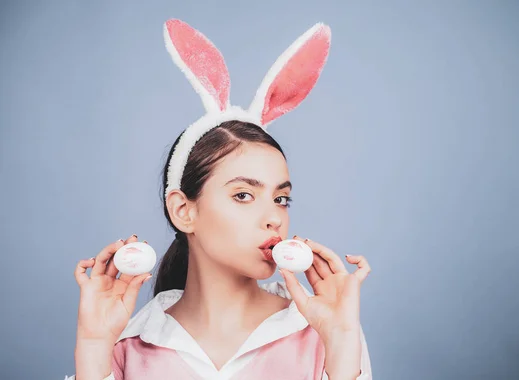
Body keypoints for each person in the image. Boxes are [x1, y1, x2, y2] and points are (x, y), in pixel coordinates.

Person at [66, 19, 372, 380]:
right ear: (183, 211)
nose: (275, 218)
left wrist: (342, 339)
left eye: (281, 198)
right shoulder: (124, 346)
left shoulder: (323, 333)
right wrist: (92, 344)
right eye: (244, 195)